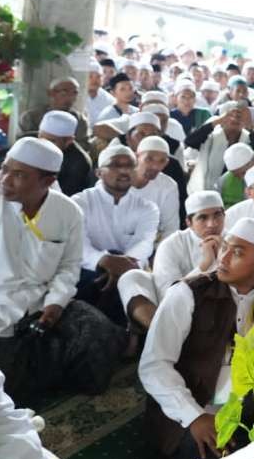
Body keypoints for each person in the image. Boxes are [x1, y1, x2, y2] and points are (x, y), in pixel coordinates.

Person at [139, 217, 254, 459]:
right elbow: (153, 365)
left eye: (237, 252)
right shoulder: (187, 294)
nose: (222, 258)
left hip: (249, 400)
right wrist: (196, 417)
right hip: (195, 403)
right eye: (224, 247)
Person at [0, 138, 125, 406]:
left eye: (19, 175)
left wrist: (55, 304)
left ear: (47, 181)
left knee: (98, 330)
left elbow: (69, 267)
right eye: (4, 169)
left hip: (41, 298)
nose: (5, 179)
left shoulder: (68, 212)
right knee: (10, 383)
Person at [73, 145, 160, 324]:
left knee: (129, 280)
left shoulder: (147, 208)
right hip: (88, 270)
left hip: (130, 270)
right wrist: (104, 260)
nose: (123, 170)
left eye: (129, 165)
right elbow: (78, 245)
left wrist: (120, 264)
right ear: (98, 172)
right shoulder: (79, 202)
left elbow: (144, 244)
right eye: (115, 165)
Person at [119, 191, 226, 331]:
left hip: (221, 312)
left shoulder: (236, 241)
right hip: (175, 313)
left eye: (217, 215)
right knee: (132, 277)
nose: (212, 224)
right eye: (203, 218)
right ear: (189, 223)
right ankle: (157, 332)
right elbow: (168, 295)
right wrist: (205, 265)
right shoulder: (172, 244)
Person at [186, 101, 254, 194]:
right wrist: (217, 121)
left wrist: (251, 126)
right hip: (207, 190)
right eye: (231, 115)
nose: (235, 119)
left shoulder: (249, 137)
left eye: (240, 117)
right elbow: (190, 141)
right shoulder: (211, 136)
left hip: (239, 194)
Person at [32, 110, 95, 196]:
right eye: (40, 137)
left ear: (68, 141)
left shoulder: (79, 163)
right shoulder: (28, 141)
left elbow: (64, 198)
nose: (43, 143)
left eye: (51, 141)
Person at [129, 136, 181, 239]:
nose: (155, 166)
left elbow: (171, 229)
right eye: (149, 159)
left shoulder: (168, 186)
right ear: (136, 157)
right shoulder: (113, 180)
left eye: (162, 161)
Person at [19, 77, 91, 149]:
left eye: (74, 93)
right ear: (51, 93)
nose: (70, 97)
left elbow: (83, 145)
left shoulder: (80, 120)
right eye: (64, 92)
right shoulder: (31, 117)